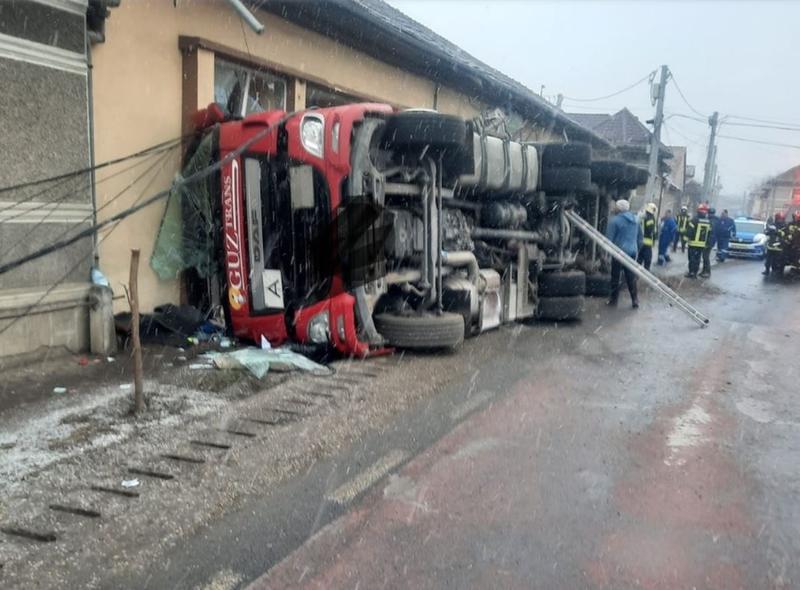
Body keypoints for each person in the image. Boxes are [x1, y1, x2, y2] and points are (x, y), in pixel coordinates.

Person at [607, 199, 642, 308]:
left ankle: (613, 300)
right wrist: (636, 248)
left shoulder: (615, 221)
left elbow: (608, 239)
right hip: (632, 251)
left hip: (619, 251)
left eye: (616, 207)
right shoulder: (636, 220)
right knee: (630, 276)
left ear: (619, 209)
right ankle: (635, 300)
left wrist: (606, 253)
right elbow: (640, 237)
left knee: (615, 276)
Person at [685, 203, 712, 279]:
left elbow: (689, 231)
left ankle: (691, 272)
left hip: (693, 243)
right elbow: (709, 233)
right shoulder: (708, 221)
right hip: (702, 244)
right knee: (698, 259)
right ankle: (695, 273)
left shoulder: (694, 220)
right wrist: (707, 243)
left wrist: (685, 239)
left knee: (692, 259)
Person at [764, 211, 787, 276]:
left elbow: (784, 234)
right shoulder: (772, 225)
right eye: (778, 218)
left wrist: (777, 231)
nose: (779, 220)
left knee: (777, 260)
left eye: (781, 219)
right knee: (768, 260)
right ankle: (767, 270)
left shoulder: (784, 226)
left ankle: (776, 271)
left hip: (779, 246)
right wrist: (767, 231)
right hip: (771, 246)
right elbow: (767, 232)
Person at [637, 202, 657, 270]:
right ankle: (646, 271)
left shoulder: (644, 216)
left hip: (641, 239)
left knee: (640, 257)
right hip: (647, 241)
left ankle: (636, 270)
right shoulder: (650, 218)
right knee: (648, 258)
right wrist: (654, 236)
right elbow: (650, 230)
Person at [702, 207, 718, 277]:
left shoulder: (712, 221)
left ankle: (707, 272)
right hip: (709, 241)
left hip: (709, 241)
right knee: (704, 256)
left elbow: (711, 233)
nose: (709, 214)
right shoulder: (714, 220)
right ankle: (704, 271)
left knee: (705, 257)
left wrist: (708, 243)